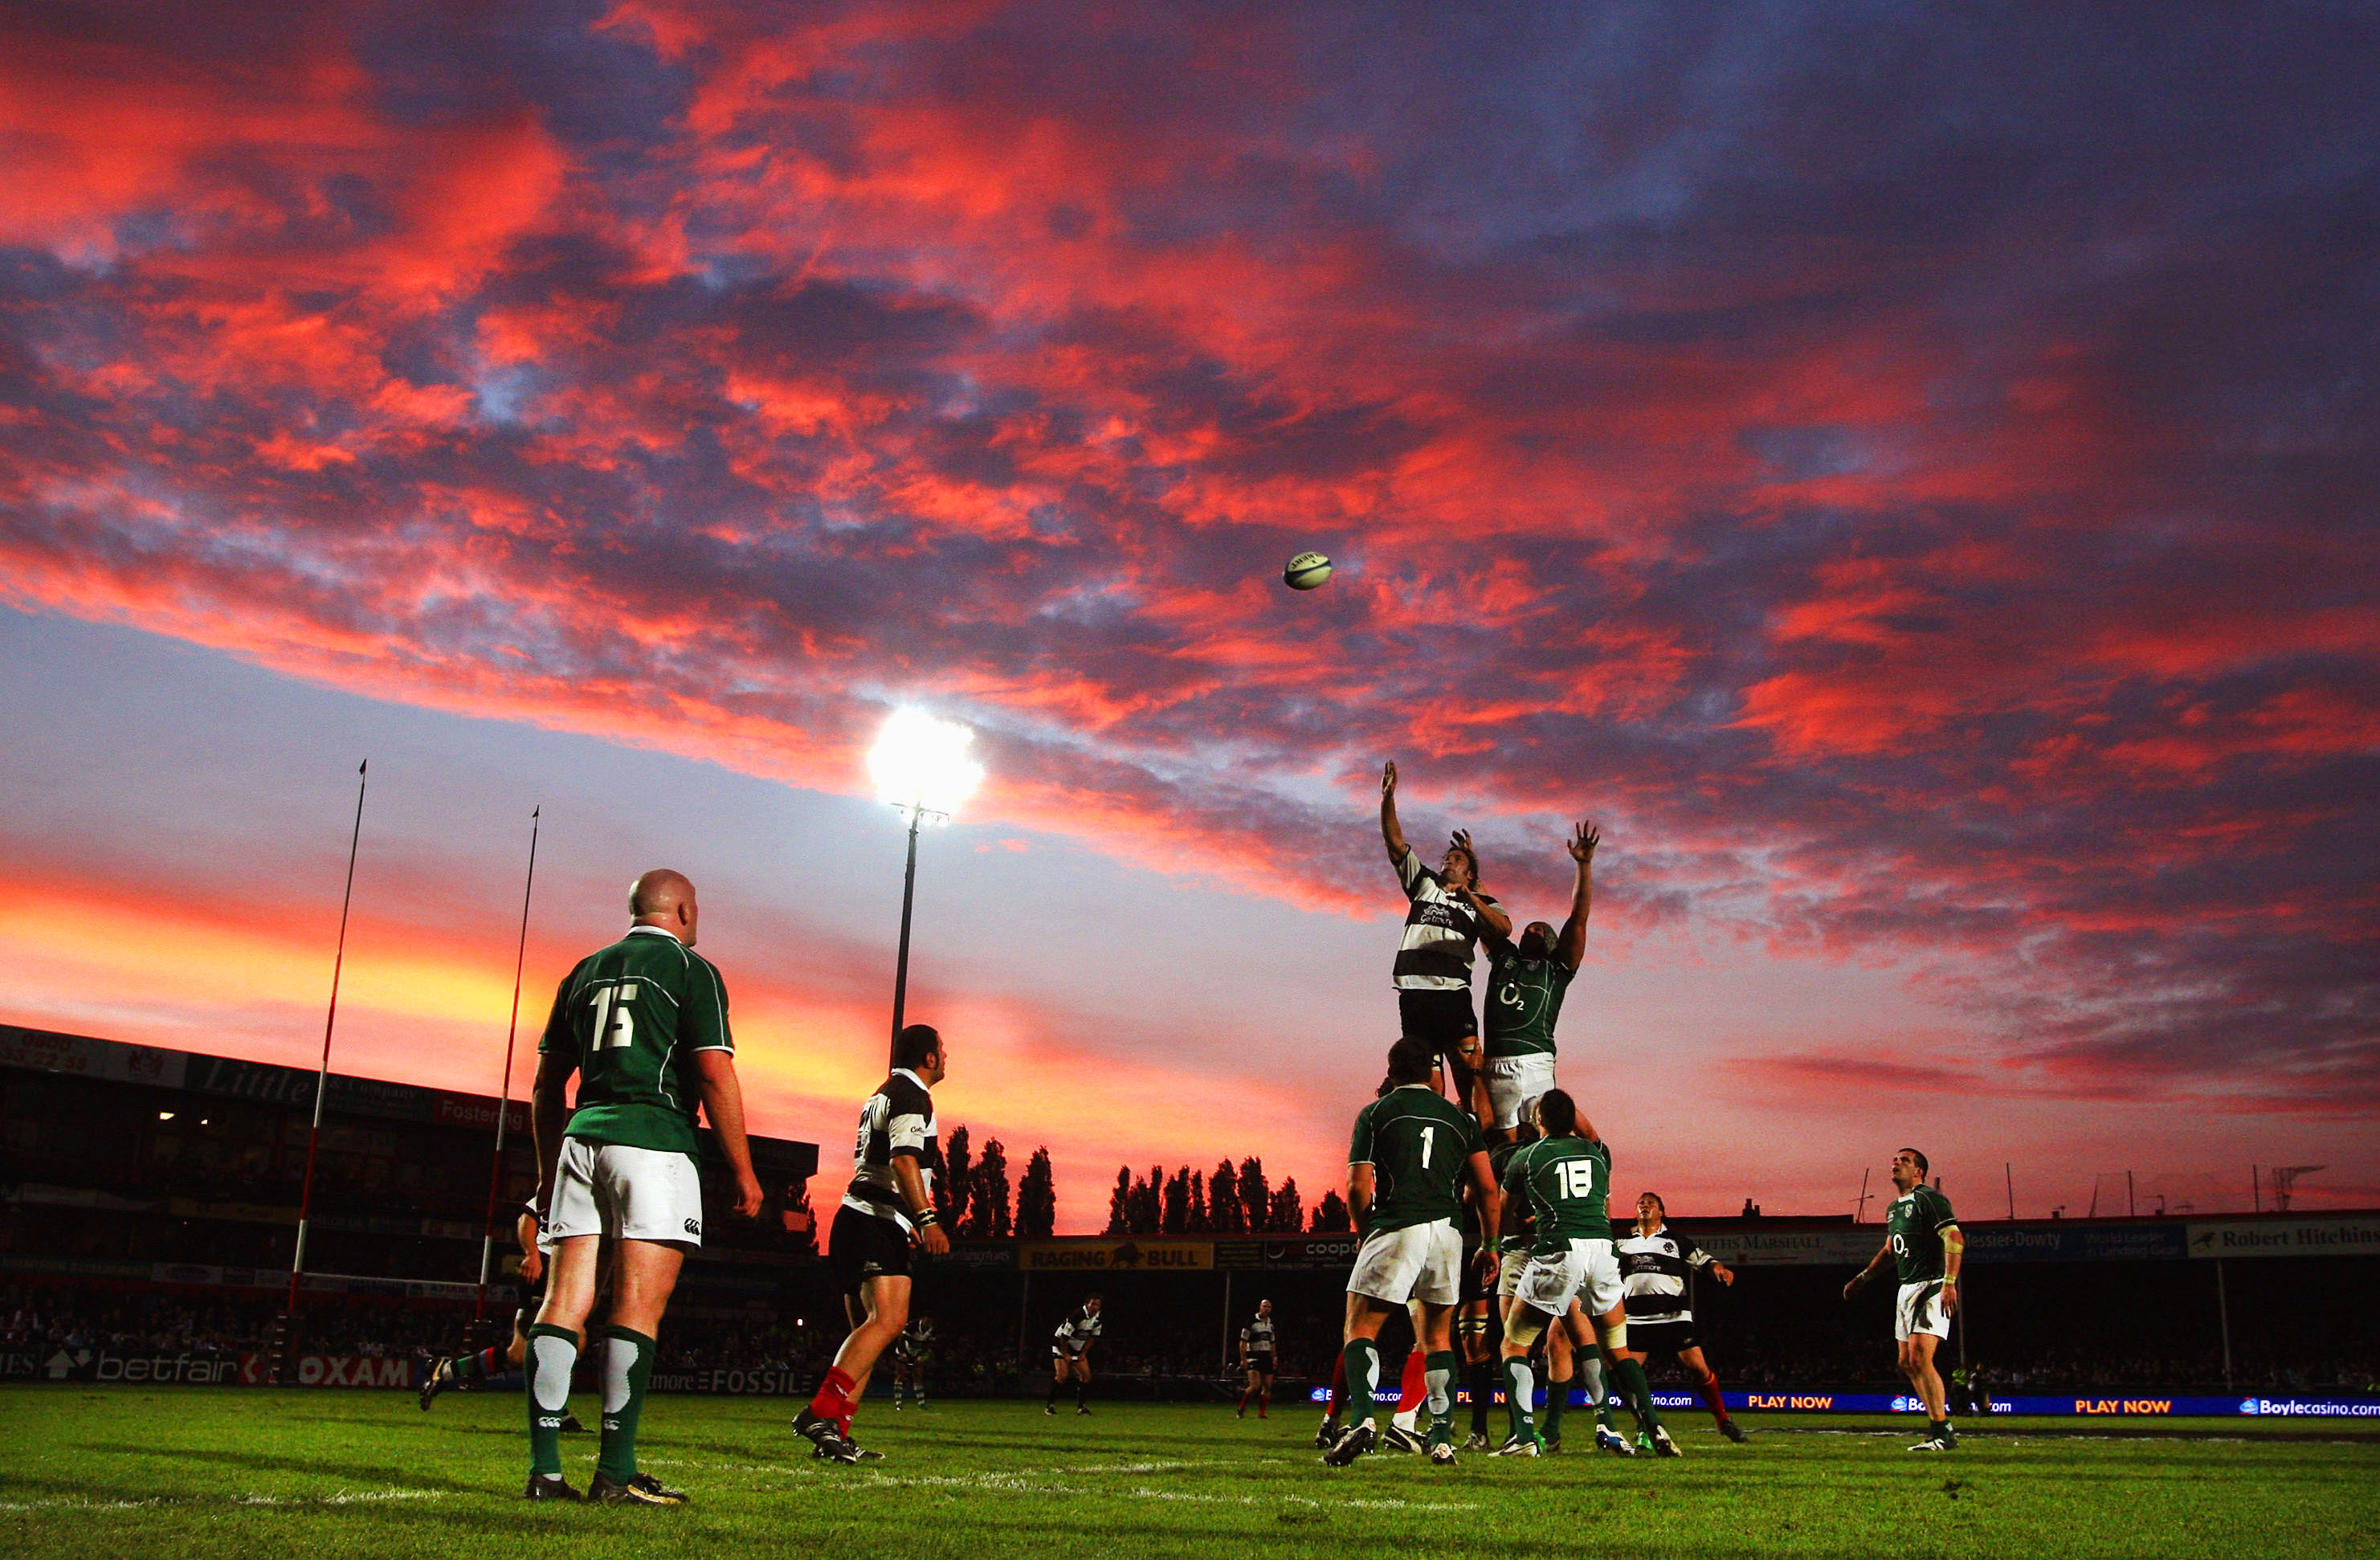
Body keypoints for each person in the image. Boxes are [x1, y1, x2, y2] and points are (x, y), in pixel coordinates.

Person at [521, 869, 765, 1505]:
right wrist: (742, 1168)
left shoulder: (583, 971)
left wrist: (550, 1170)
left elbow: (547, 1088)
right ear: (682, 910)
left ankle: (545, 1472)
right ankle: (615, 1473)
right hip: (653, 1143)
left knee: (563, 1302)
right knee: (635, 1304)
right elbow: (714, 1075)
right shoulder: (692, 969)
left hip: (581, 1139)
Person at [1324, 1037, 1500, 1468]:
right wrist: (1491, 1244)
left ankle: (1363, 1420)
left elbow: (1355, 1186)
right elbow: (1487, 1189)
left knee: (1361, 1327)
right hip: (1447, 1233)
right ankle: (1440, 1437)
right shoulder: (1462, 1119)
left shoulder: (1376, 1113)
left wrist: (1366, 1233)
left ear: (1393, 1070)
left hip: (1397, 1223)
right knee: (1439, 1338)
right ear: (1432, 1072)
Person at [795, 1023, 950, 1463]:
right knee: (888, 1321)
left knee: (868, 1332)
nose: (947, 1057)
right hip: (873, 1221)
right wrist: (926, 1219)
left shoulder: (884, 1092)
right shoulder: (912, 1095)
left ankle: (835, 1433)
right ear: (930, 1058)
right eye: (943, 1050)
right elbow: (903, 1159)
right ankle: (821, 1413)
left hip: (860, 1219)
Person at [1495, 1090, 1670, 1457]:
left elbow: (1505, 1212)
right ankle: (1653, 1427)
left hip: (1560, 1250)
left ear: (1538, 1119)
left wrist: (1524, 1223)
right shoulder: (1598, 1154)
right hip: (1604, 1251)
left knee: (1514, 1342)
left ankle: (1526, 1438)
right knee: (1618, 1348)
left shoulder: (1526, 1157)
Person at [1379, 761, 1510, 1130]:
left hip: (1452, 995)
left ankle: (1480, 1137)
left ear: (1470, 873)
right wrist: (1388, 798)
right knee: (1426, 1073)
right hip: (1415, 993)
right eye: (1446, 859)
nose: (1447, 861)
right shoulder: (1425, 885)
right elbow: (1395, 844)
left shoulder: (1478, 901)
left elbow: (1502, 930)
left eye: (1456, 859)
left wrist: (1474, 891)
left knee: (1470, 1068)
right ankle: (1437, 1133)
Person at [419, 1201, 582, 1432]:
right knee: (574, 1336)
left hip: (567, 1266)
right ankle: (558, 1412)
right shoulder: (568, 1178)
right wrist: (531, 1254)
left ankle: (446, 1370)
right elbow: (527, 1215)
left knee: (518, 1355)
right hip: (546, 1265)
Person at [1480, 822, 1596, 1141]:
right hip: (1496, 1059)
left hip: (1535, 1060)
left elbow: (1579, 917)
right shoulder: (1504, 957)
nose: (1532, 930)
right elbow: (1484, 915)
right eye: (1528, 928)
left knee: (1543, 1134)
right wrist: (1473, 877)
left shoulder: (1557, 969)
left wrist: (1583, 866)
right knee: (1502, 1141)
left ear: (1553, 942)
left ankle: (1596, 1151)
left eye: (1541, 929)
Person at [1844, 1149, 1963, 1452]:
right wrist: (1863, 1278)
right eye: (1894, 1160)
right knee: (1906, 1362)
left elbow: (1954, 1238)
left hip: (1932, 1283)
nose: (1896, 1163)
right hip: (1906, 1288)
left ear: (1919, 1172)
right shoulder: (1894, 1208)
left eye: (1905, 1160)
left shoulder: (1929, 1198)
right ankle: (1940, 1427)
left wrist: (1949, 1283)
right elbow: (1890, 1253)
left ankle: (1942, 1431)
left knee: (1921, 1357)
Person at [1615, 1192, 1747, 1444]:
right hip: (1636, 1318)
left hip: (1674, 1315)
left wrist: (1719, 1268)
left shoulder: (1675, 1240)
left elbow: (1704, 1260)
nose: (1645, 1205)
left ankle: (1723, 1420)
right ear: (1635, 1211)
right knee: (1627, 1377)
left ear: (1661, 1212)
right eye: (1641, 1203)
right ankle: (1645, 1427)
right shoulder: (1621, 1242)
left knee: (1698, 1367)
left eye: (1651, 1203)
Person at [1047, 1295, 1104, 1414]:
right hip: (1061, 1345)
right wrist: (1065, 1354)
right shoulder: (1077, 1315)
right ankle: (1050, 1406)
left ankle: (1081, 1407)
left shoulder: (1098, 1318)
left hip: (1076, 1348)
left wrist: (1083, 1353)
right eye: (1093, 1304)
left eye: (1097, 1305)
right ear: (1087, 1304)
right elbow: (1064, 1337)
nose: (1095, 1307)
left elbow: (1093, 1337)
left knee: (1086, 1376)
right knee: (1062, 1376)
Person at [1237, 1299, 1277, 1419]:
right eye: (1265, 1306)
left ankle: (1262, 1413)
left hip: (1267, 1358)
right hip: (1254, 1357)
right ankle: (1241, 1409)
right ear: (1260, 1307)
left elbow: (1273, 1342)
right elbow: (1243, 1341)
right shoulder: (1251, 1322)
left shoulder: (1270, 1324)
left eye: (1269, 1307)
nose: (1267, 1309)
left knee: (1267, 1388)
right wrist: (1243, 1359)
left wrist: (1274, 1358)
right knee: (1255, 1386)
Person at [891, 1315, 936, 1411]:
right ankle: (898, 1403)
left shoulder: (930, 1330)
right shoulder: (912, 1326)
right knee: (901, 1375)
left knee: (918, 1376)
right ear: (923, 1319)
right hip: (904, 1351)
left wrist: (921, 1356)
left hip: (916, 1353)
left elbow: (927, 1345)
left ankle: (921, 1403)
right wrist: (903, 1354)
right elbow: (901, 1340)